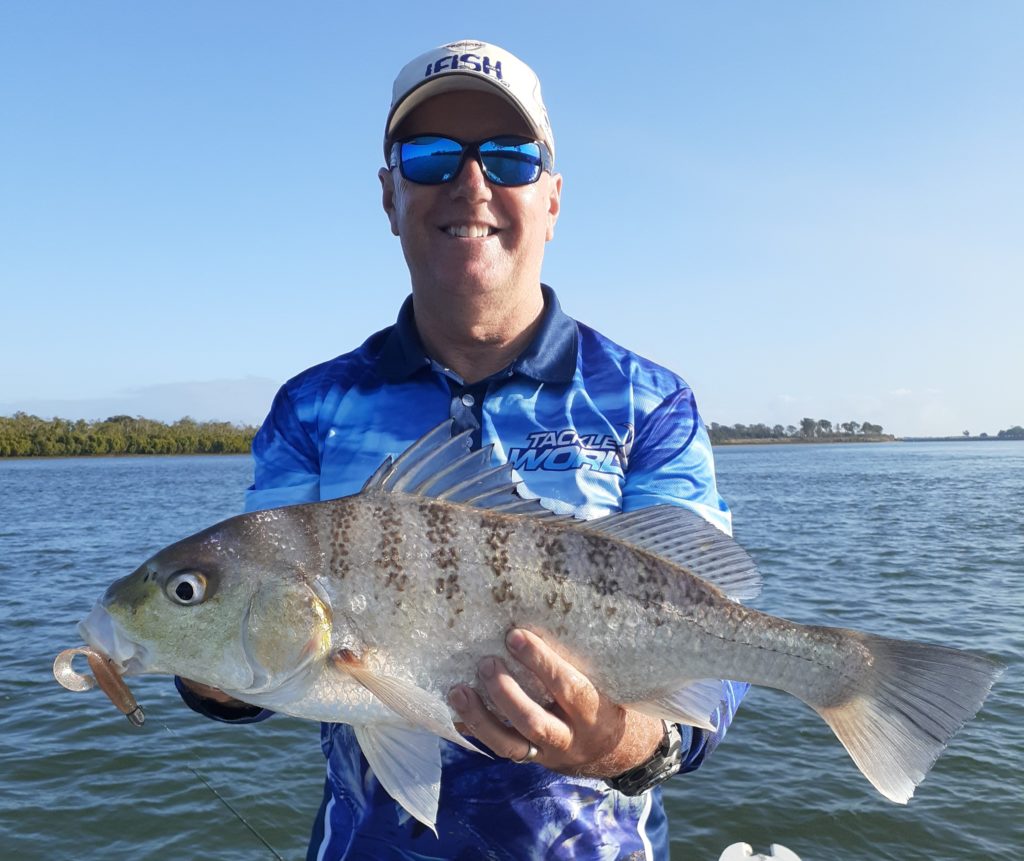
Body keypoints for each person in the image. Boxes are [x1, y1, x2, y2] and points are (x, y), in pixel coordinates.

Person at [178, 39, 747, 860]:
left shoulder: (650, 402)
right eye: (432, 156)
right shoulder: (312, 407)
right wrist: (193, 655)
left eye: (511, 159)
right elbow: (268, 656)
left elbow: (719, 648)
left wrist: (619, 742)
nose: (471, 183)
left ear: (552, 199)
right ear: (389, 194)